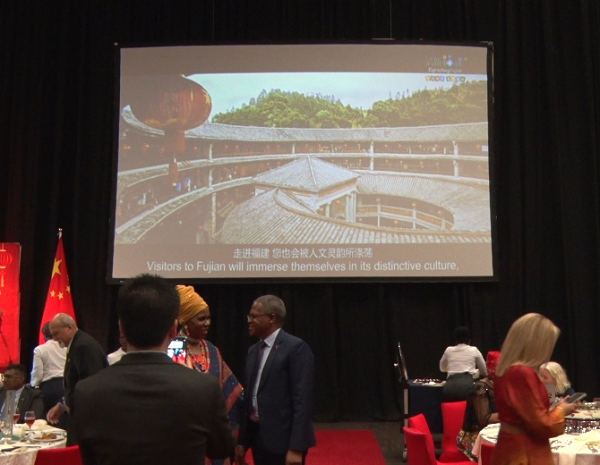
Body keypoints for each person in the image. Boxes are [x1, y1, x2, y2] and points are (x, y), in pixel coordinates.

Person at [74, 274, 235, 465]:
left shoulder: (86, 391)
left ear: (121, 327)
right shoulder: (203, 388)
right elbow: (222, 449)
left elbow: (87, 457)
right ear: (174, 329)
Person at [235, 295, 315, 465]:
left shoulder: (295, 348)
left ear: (271, 318)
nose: (249, 320)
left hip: (283, 444)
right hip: (258, 441)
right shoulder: (253, 351)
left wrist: (296, 447)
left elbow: (302, 401)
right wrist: (242, 441)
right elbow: (249, 399)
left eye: (254, 316)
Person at [491, 313, 579, 465]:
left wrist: (553, 409)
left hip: (508, 446)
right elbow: (542, 425)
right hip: (525, 452)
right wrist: (561, 411)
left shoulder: (504, 369)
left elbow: (525, 414)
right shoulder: (522, 373)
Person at [176, 285, 244, 431]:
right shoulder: (176, 348)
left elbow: (231, 391)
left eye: (208, 318)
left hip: (213, 429)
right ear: (185, 322)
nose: (208, 323)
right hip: (185, 428)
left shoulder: (212, 350)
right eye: (201, 319)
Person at [46, 313, 108, 445]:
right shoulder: (77, 344)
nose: (54, 339)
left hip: (87, 420)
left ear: (69, 327)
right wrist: (62, 405)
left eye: (56, 334)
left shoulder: (83, 346)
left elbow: (91, 383)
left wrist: (70, 404)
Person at [30, 322, 67, 425]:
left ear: (44, 335)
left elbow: (37, 372)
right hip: (66, 384)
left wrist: (34, 386)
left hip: (50, 387)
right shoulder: (67, 348)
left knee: (49, 418)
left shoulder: (40, 349)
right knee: (64, 418)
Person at [456, 377, 499, 461]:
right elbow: (484, 419)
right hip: (474, 437)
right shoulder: (480, 388)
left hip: (494, 433)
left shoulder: (504, 384)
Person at [439, 326, 487, 401]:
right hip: (468, 388)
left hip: (449, 388)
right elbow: (484, 371)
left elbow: (442, 368)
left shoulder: (448, 350)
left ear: (455, 339)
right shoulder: (474, 350)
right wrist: (477, 372)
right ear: (469, 339)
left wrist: (451, 369)